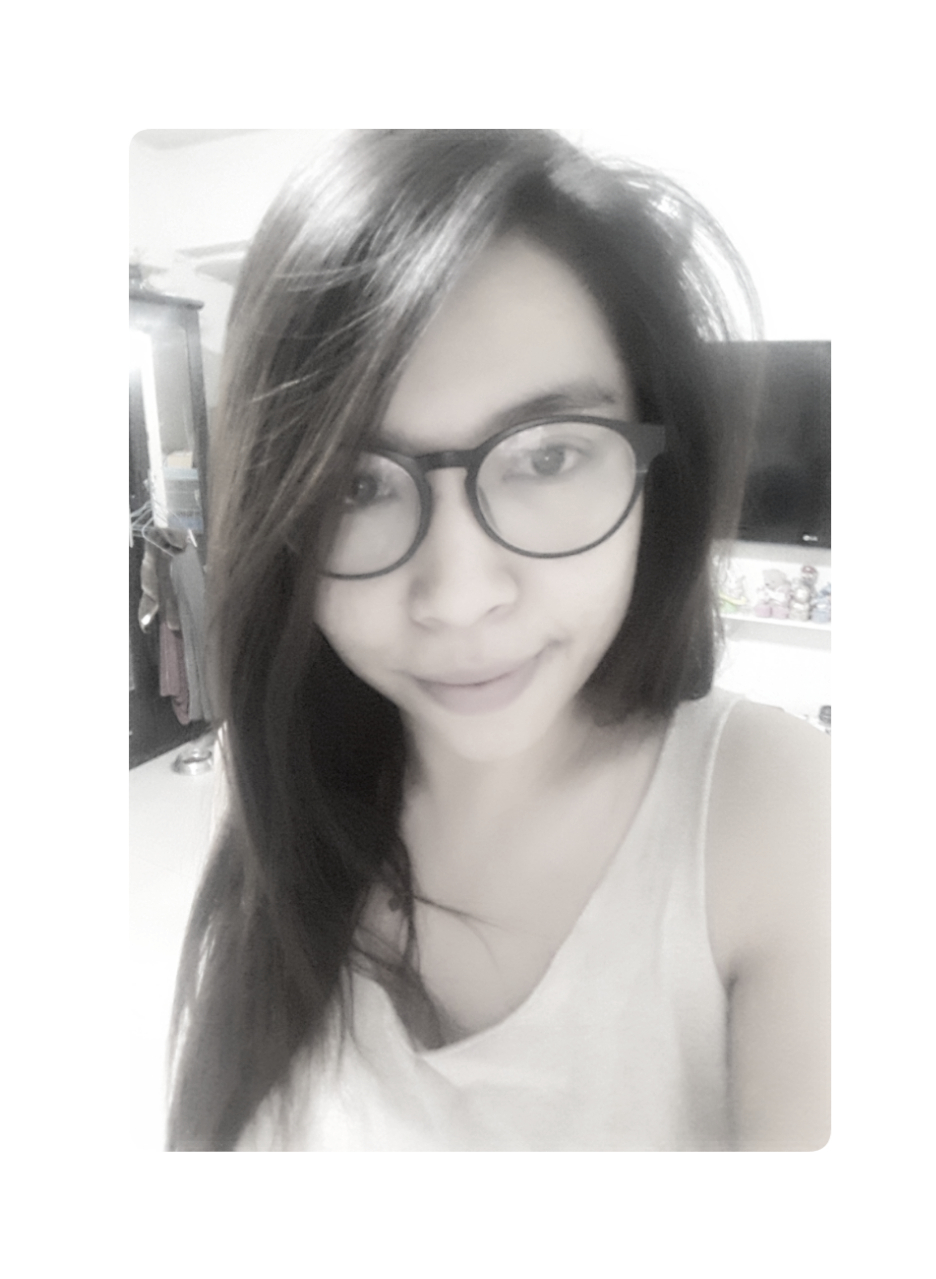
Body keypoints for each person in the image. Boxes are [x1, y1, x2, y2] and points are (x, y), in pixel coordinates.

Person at [166, 129, 830, 1152]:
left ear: (659, 473)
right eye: (357, 485)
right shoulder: (268, 787)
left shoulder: (777, 812)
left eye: (549, 456)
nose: (460, 597)